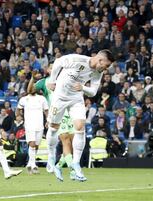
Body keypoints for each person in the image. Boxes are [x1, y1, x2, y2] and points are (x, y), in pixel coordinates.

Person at [45, 49, 114, 182]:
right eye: (106, 66)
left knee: (80, 127)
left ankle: (76, 164)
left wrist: (83, 88)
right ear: (100, 60)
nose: (105, 69)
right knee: (53, 128)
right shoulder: (76, 59)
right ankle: (51, 155)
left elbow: (93, 92)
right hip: (59, 97)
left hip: (76, 98)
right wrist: (52, 80)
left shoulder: (97, 72)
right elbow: (58, 62)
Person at [27, 66, 76, 180]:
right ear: (48, 70)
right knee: (65, 140)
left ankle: (58, 166)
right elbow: (30, 91)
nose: (54, 68)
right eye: (51, 67)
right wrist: (32, 78)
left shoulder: (67, 79)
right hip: (58, 114)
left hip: (70, 112)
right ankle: (72, 169)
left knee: (73, 144)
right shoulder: (44, 82)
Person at [17, 77, 49, 175]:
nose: (33, 88)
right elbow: (18, 110)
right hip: (29, 125)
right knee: (32, 144)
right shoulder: (24, 99)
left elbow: (46, 111)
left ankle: (30, 163)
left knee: (37, 145)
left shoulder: (42, 99)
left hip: (40, 125)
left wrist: (48, 120)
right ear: (28, 88)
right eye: (31, 86)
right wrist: (19, 117)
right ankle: (34, 165)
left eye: (34, 86)